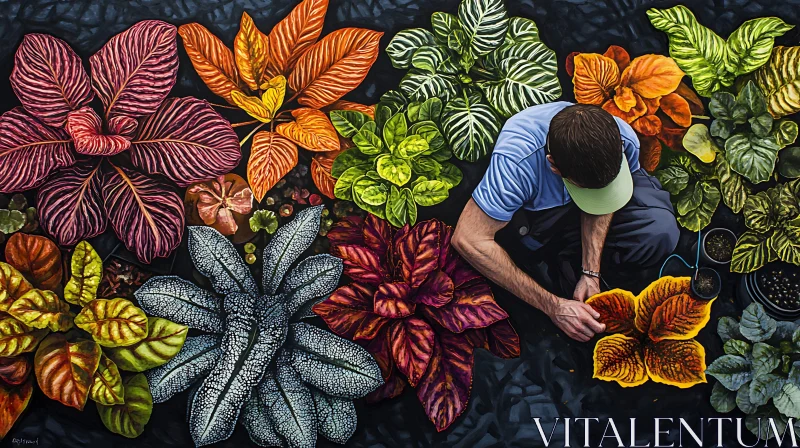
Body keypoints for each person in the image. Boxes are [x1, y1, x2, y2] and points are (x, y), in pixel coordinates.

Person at [452, 102, 679, 342]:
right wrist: (554, 307)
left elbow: (601, 204)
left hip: (578, 195)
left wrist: (591, 272)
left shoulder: (624, 138)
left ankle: (588, 276)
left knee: (659, 228)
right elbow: (468, 239)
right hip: (539, 213)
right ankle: (563, 279)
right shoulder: (516, 162)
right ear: (553, 165)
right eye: (587, 189)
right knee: (530, 256)